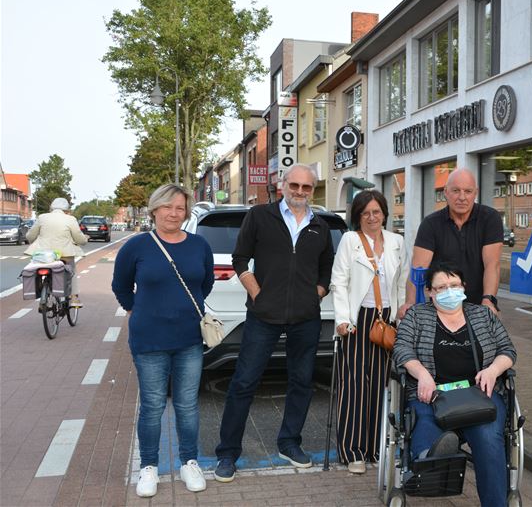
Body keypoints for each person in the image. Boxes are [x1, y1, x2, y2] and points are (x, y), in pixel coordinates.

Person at [214, 163, 334, 481]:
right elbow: (240, 258)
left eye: (306, 187)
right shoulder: (259, 217)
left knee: (301, 382)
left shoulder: (319, 226)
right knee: (243, 383)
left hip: (305, 318)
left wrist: (316, 294)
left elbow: (326, 268)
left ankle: (289, 442)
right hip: (262, 316)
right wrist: (257, 293)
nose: (299, 192)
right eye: (294, 185)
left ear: (312, 190)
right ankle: (227, 453)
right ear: (282, 185)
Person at [111, 184, 214, 498]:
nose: (173, 213)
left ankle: (189, 462)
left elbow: (204, 283)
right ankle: (149, 467)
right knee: (153, 407)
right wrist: (137, 308)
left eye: (180, 208)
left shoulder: (199, 245)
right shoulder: (137, 246)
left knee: (187, 405)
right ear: (154, 209)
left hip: (189, 339)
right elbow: (120, 285)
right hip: (149, 339)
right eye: (167, 207)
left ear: (186, 212)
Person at [394, 261, 516, 507]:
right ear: (429, 291)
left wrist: (493, 371)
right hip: (434, 393)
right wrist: (422, 374)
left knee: (487, 437)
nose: (449, 291)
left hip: (479, 394)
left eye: (454, 285)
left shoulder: (482, 315)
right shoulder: (417, 316)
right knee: (425, 418)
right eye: (441, 288)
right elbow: (401, 348)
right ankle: (430, 458)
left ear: (464, 287)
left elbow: (508, 350)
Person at [330, 190, 408, 474]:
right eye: (366, 213)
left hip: (387, 321)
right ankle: (353, 451)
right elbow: (338, 282)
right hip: (357, 321)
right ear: (357, 217)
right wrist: (342, 318)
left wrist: (401, 312)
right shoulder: (350, 241)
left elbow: (401, 281)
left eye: (377, 212)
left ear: (385, 213)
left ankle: (377, 448)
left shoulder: (397, 242)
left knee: (382, 385)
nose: (372, 217)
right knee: (354, 386)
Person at [398, 168, 503, 320]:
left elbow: (492, 265)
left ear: (476, 193)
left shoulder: (490, 219)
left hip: (479, 307)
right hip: (441, 307)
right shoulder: (430, 224)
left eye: (468, 191)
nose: (462, 197)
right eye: (456, 190)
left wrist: (488, 300)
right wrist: (410, 303)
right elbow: (418, 269)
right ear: (446, 192)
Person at [25, 197, 88, 307]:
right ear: (66, 210)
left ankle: (42, 296)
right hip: (64, 254)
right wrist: (85, 239)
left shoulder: (42, 217)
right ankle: (74, 298)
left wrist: (31, 241)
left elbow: (30, 236)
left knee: (37, 268)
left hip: (43, 254)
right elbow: (79, 239)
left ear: (51, 208)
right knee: (71, 271)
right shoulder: (70, 219)